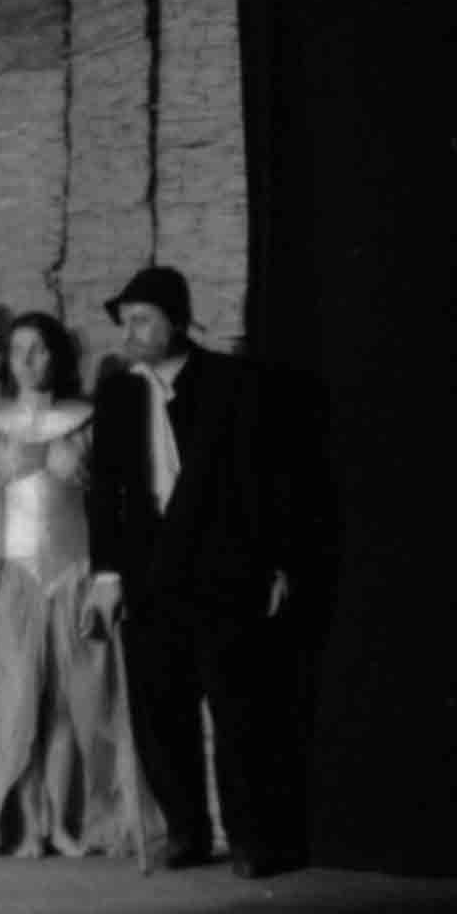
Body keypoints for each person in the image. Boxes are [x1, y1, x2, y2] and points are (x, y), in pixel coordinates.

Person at [83, 265, 336, 879]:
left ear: (175, 320)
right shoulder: (117, 394)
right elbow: (106, 492)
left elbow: (268, 481)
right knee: (159, 713)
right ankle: (187, 833)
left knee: (239, 712)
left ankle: (252, 841)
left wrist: (278, 561)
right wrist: (107, 574)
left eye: (142, 319)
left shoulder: (232, 384)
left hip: (224, 572)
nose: (131, 332)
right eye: (126, 322)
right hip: (147, 578)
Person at [0, 311, 155, 860]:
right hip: (11, 577)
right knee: (19, 705)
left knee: (65, 705)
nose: (29, 360)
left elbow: (107, 503)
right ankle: (28, 825)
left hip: (72, 572)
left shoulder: (83, 420)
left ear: (57, 355)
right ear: (5, 360)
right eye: (18, 351)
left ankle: (63, 820)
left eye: (39, 349)